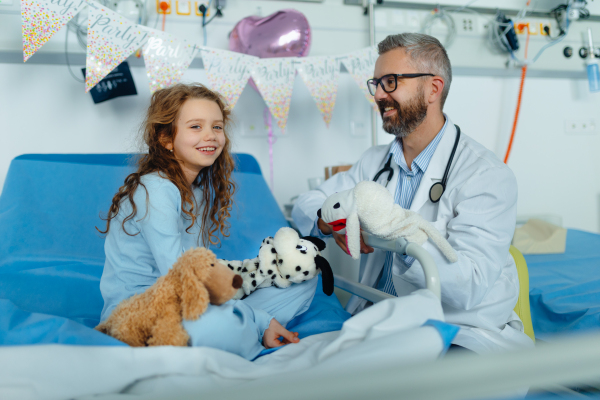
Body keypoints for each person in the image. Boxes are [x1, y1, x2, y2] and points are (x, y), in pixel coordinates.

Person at [292, 33, 533, 354]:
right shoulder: (373, 162)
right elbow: (305, 205)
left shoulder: (486, 175)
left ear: (433, 88)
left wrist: (398, 233)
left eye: (390, 82)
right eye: (376, 83)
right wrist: (331, 221)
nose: (378, 94)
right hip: (380, 316)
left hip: (459, 329)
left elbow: (469, 287)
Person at [98, 83, 317, 360]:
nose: (210, 136)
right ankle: (245, 329)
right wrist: (259, 318)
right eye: (195, 127)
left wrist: (249, 289)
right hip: (144, 309)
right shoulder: (155, 189)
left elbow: (198, 273)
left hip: (188, 299)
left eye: (216, 127)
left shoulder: (197, 190)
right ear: (166, 138)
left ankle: (241, 328)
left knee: (301, 280)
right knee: (219, 325)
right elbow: (180, 276)